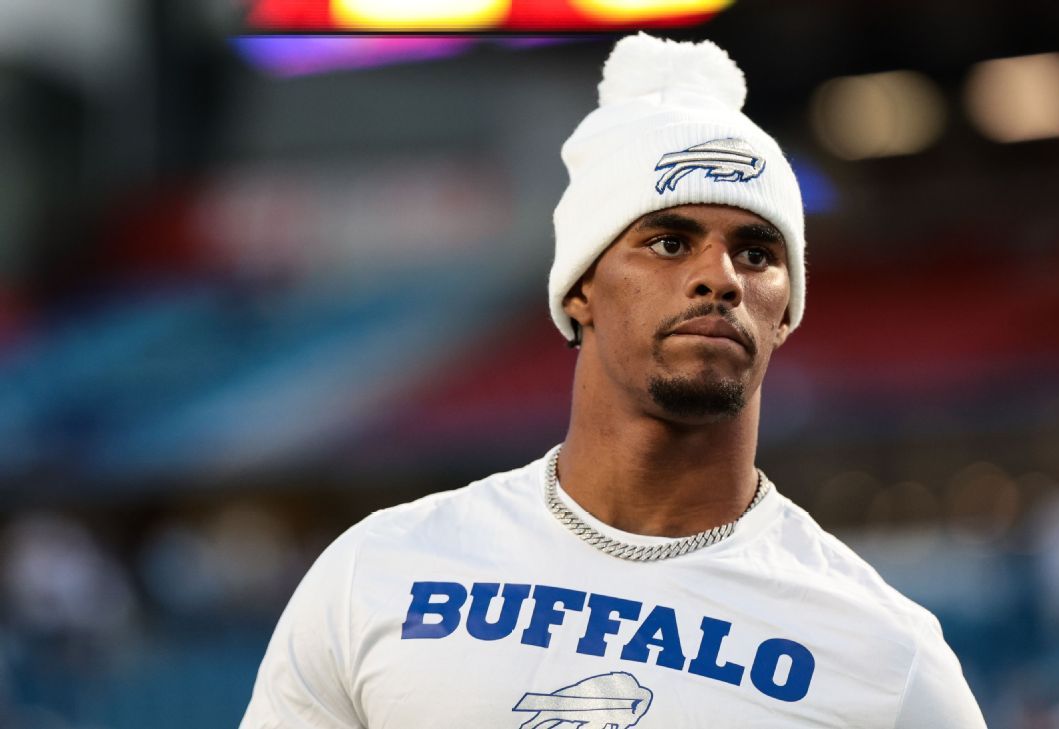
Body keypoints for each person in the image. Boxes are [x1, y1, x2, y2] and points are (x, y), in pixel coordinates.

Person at [240, 33, 987, 728]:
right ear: (579, 287)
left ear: (786, 312)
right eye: (669, 242)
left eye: (758, 254)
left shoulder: (887, 661)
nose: (721, 278)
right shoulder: (377, 575)